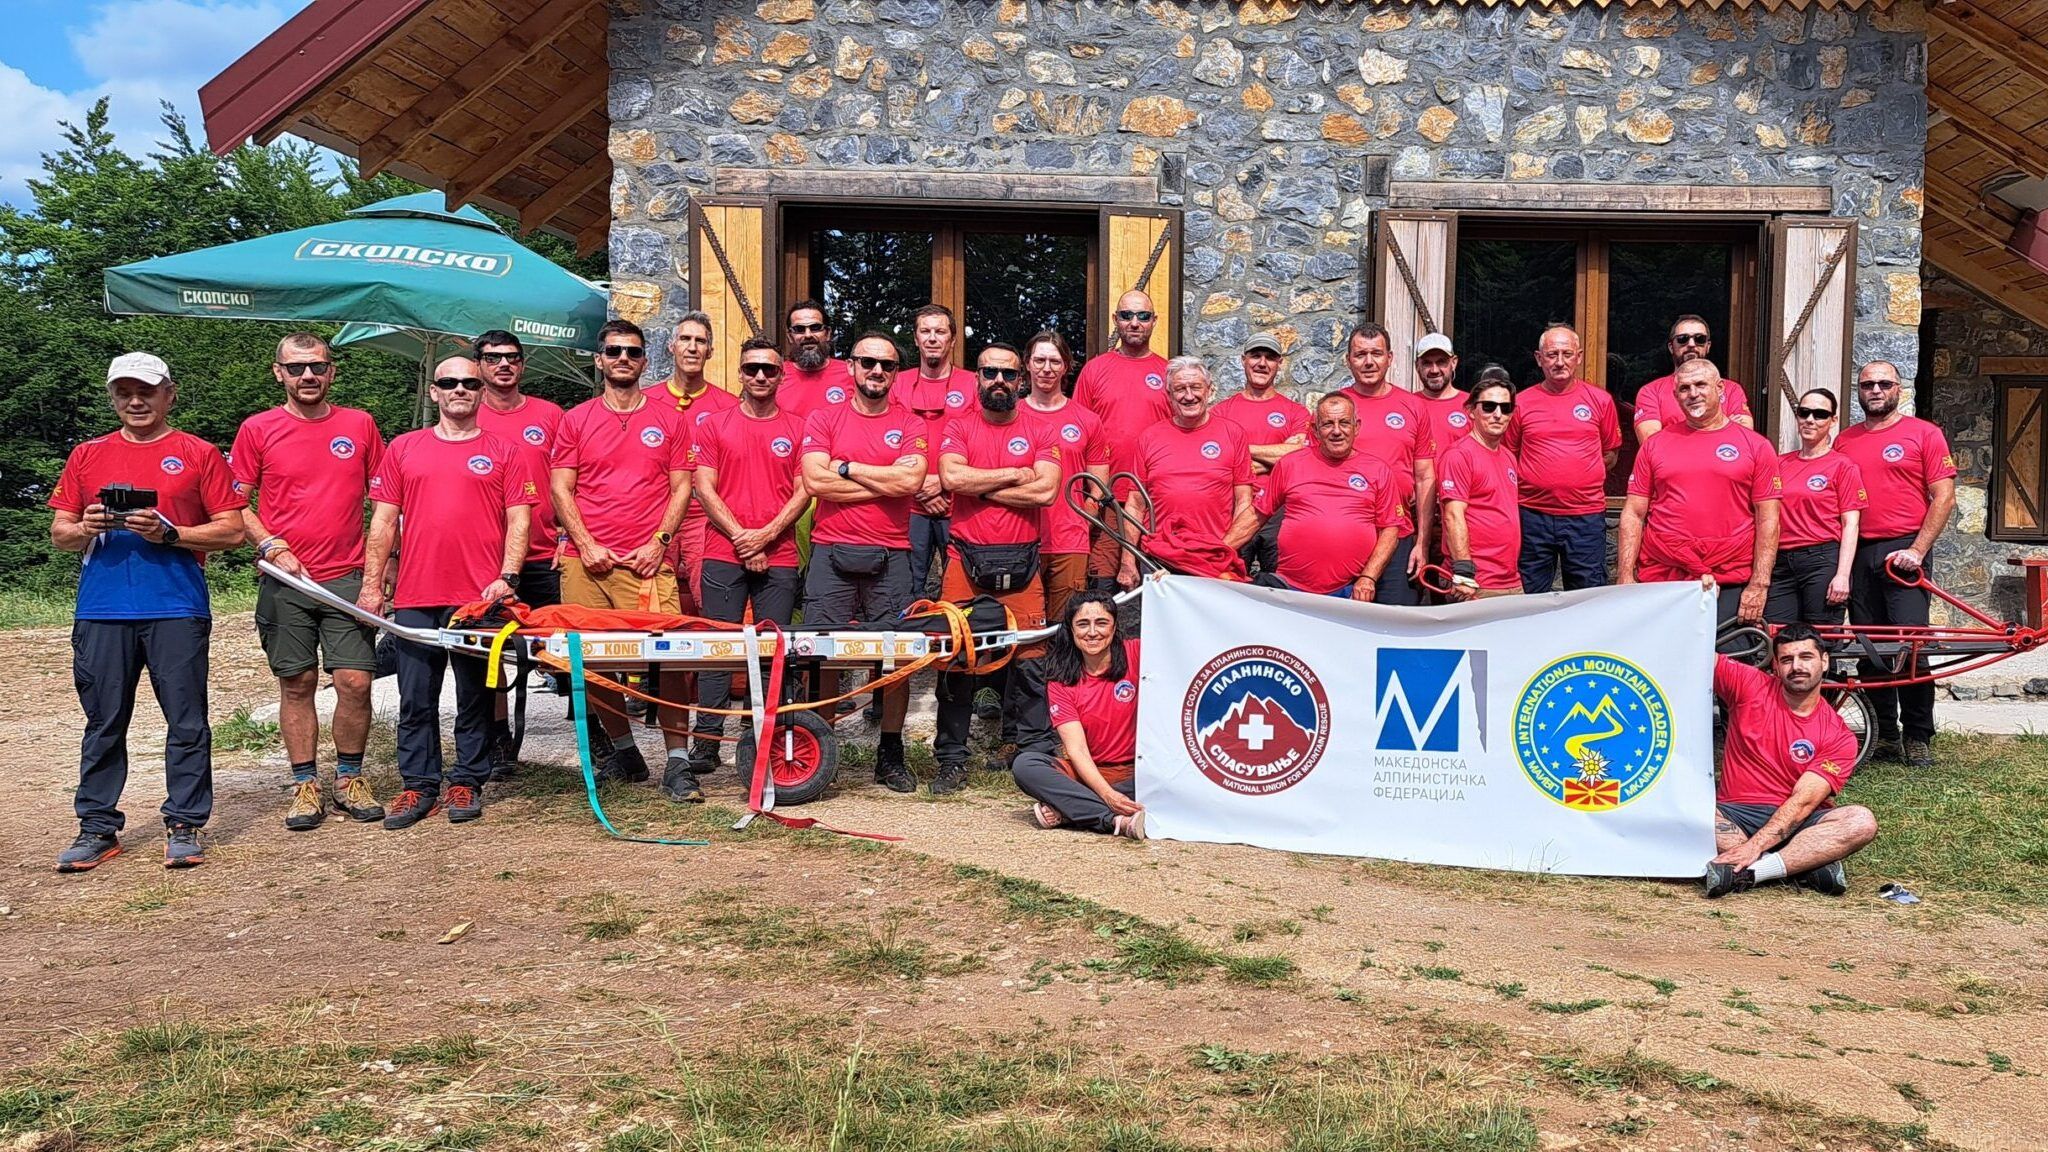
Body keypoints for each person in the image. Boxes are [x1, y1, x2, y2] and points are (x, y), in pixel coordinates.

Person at [49, 352, 247, 872]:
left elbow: (232, 530)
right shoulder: (87, 454)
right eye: (125, 392)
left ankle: (184, 823)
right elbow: (60, 532)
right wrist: (86, 527)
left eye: (147, 391)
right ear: (113, 397)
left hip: (176, 606)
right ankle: (97, 827)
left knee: (186, 720)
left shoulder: (199, 452)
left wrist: (170, 533)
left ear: (169, 394)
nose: (136, 401)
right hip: (102, 609)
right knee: (103, 722)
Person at [362, 356, 537, 829]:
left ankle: (467, 780)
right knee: (416, 696)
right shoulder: (404, 448)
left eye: (469, 383)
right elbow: (383, 522)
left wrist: (508, 577)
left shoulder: (505, 451)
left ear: (481, 392)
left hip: (477, 598)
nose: (460, 389)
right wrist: (372, 587)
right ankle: (419, 785)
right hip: (416, 594)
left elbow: (519, 520)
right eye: (449, 382)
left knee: (475, 695)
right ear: (434, 392)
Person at [231, 333, 385, 830]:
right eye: (296, 368)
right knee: (297, 683)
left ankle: (349, 778)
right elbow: (234, 502)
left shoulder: (359, 425)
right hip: (285, 580)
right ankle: (304, 784)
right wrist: (270, 544)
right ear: (279, 373)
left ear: (331, 371)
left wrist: (381, 573)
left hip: (347, 577)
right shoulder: (258, 428)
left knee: (355, 681)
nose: (308, 376)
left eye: (317, 366)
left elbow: (386, 503)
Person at [550, 320, 696, 791]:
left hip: (646, 562)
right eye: (614, 351)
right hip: (586, 561)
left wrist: (660, 542)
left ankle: (678, 761)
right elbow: (560, 488)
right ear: (599, 360)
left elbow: (682, 487)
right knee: (591, 661)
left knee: (671, 659)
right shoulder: (576, 419)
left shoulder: (670, 419)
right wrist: (586, 544)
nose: (623, 359)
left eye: (633, 352)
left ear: (645, 361)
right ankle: (626, 752)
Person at [800, 331, 931, 792]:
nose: (877, 371)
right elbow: (814, 483)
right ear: (852, 367)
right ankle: (819, 749)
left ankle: (890, 753)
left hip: (891, 554)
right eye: (868, 362)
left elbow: (910, 483)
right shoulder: (824, 417)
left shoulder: (911, 423)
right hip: (831, 550)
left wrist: (846, 467)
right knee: (822, 654)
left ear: (896, 373)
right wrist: (884, 482)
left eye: (887, 365)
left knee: (895, 657)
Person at [932, 343, 1061, 794]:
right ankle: (951, 758)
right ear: (978, 379)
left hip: (1023, 560)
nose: (999, 381)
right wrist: (1014, 474)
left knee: (1031, 661)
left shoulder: (1041, 429)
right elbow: (952, 478)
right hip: (965, 559)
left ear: (1021, 379)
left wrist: (980, 486)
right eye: (990, 373)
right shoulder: (959, 425)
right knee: (956, 657)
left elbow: (1046, 492)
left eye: (1008, 373)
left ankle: (1031, 753)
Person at [685, 337, 813, 784]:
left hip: (779, 554)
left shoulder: (798, 427)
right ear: (739, 373)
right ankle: (706, 741)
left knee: (772, 652)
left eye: (769, 369)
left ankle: (761, 736)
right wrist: (744, 538)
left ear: (781, 376)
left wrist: (766, 536)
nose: (760, 376)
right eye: (752, 368)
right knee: (718, 650)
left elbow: (804, 490)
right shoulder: (713, 424)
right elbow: (703, 487)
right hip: (723, 551)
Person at [1834, 360, 1958, 768]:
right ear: (1859, 391)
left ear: (1898, 389)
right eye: (1867, 384)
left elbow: (1944, 497)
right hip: (1859, 551)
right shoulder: (1845, 441)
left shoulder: (1924, 434)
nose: (1875, 390)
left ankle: (1918, 735)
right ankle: (1884, 733)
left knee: (1911, 645)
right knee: (1871, 647)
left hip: (1905, 550)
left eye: (1884, 384)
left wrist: (1917, 551)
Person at [1704, 622, 1878, 898]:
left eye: (1806, 657)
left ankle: (1752, 872)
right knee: (1689, 812)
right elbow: (1697, 654)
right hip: (1735, 814)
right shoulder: (1748, 684)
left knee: (1861, 821)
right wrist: (1689, 605)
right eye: (1787, 659)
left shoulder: (1839, 735)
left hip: (1799, 821)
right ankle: (1803, 864)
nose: (1796, 666)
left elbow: (1803, 803)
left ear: (1824, 661)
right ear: (1775, 665)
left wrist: (1754, 846)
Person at [1618, 360, 1781, 628]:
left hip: (1731, 577)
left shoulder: (1756, 446)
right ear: (1675, 396)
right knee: (1665, 652)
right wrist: (1625, 576)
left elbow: (1768, 519)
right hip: (1664, 577)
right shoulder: (1654, 445)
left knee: (1726, 654)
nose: (1692, 393)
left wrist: (1759, 584)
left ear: (1720, 389)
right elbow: (1634, 513)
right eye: (1684, 388)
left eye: (1701, 385)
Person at [472, 328, 566, 773]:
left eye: (511, 357)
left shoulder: (549, 415)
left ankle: (598, 736)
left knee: (566, 649)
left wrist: (567, 538)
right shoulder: (466, 414)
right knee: (488, 654)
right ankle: (497, 741)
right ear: (479, 366)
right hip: (486, 561)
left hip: (546, 552)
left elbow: (571, 482)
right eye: (493, 358)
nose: (503, 364)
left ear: (523, 365)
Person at [1012, 591, 1146, 839]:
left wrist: (1165, 587)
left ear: (1115, 626)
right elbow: (1077, 751)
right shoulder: (1061, 680)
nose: (1092, 632)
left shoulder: (1138, 652)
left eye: (1101, 623)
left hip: (1139, 771)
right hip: (1089, 772)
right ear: (1071, 629)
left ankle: (1072, 809)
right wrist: (1108, 795)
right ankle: (1113, 820)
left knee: (1168, 781)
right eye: (1083, 624)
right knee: (1026, 765)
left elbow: (1179, 637)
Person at [1118, 356, 1257, 586]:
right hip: (1159, 559)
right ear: (1169, 395)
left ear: (1209, 391)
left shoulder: (1233, 433)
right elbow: (1135, 504)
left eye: (1196, 387)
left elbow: (1244, 501)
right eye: (1180, 389)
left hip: (1214, 558)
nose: (1189, 396)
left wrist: (1223, 551)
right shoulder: (1150, 437)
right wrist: (1127, 560)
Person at [1505, 325, 1620, 593]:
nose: (1559, 362)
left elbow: (1610, 453)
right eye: (1552, 354)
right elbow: (1509, 455)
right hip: (1532, 514)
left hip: (1585, 516)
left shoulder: (1600, 400)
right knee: (1530, 596)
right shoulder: (1521, 402)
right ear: (1539, 358)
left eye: (1567, 354)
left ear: (1578, 357)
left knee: (1587, 597)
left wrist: (1579, 476)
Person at [1252, 392, 1401, 599]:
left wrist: (1368, 578)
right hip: (1290, 589)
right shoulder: (1290, 464)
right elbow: (1255, 516)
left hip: (1350, 591)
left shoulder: (1378, 470)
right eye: (1328, 424)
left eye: (1344, 423)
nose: (1337, 431)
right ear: (1315, 430)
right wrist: (1220, 550)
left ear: (1356, 427)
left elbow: (1390, 529)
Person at [1074, 290, 1173, 584]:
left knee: (1157, 586)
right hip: (1107, 499)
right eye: (1127, 315)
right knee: (1103, 585)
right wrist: (1088, 496)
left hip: (1154, 501)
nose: (1135, 322)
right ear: (1115, 319)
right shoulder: (1095, 369)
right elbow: (1078, 436)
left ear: (1154, 321)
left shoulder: (1169, 373)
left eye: (1143, 316)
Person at [1337, 322, 1434, 604]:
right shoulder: (1335, 407)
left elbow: (1425, 477)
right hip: (1348, 533)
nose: (1369, 362)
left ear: (1389, 358)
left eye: (1376, 354)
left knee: (1398, 620)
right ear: (1348, 360)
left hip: (1399, 533)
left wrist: (1422, 543)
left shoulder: (1413, 406)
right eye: (1360, 355)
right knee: (1341, 621)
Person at [648, 311, 741, 606]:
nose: (692, 347)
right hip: (657, 516)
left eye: (700, 341)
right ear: (671, 346)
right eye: (685, 339)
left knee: (713, 601)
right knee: (653, 604)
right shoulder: (645, 401)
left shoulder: (729, 406)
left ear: (710, 351)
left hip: (705, 519)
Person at [1020, 329, 1109, 625]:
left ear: (1066, 367)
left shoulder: (1087, 419)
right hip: (1020, 538)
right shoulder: (1011, 415)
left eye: (1055, 361)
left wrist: (1086, 517)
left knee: (1067, 627)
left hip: (1069, 540)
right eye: (1040, 360)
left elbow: (1098, 484)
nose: (1046, 368)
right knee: (1024, 627)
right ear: (1027, 364)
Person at [1211, 333, 1307, 578]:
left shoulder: (1296, 412)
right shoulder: (1220, 413)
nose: (1262, 363)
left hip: (1280, 513)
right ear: (1243, 360)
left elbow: (1298, 457)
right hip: (1234, 510)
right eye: (1255, 356)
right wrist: (1277, 456)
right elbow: (1219, 462)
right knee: (1231, 582)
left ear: (1279, 363)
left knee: (1281, 583)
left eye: (1270, 357)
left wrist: (1241, 449)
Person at [1768, 388, 1865, 626]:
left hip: (1821, 559)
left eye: (1820, 414)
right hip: (1781, 560)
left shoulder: (1842, 465)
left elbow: (1851, 524)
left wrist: (1842, 575)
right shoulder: (1779, 463)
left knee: (1822, 635)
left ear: (1833, 420)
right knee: (1776, 634)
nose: (1810, 420)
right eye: (1804, 412)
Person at [897, 304, 976, 595]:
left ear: (952, 339)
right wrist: (918, 485)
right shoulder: (896, 383)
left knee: (960, 590)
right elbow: (885, 440)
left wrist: (942, 483)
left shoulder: (973, 384)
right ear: (916, 338)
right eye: (925, 331)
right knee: (908, 591)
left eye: (940, 331)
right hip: (906, 505)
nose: (932, 338)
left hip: (957, 505)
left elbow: (981, 442)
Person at [1437, 380, 1524, 599]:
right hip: (1475, 581)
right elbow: (1453, 516)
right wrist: (1463, 573)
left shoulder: (1508, 457)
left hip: (1510, 579)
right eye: (1488, 406)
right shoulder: (1459, 455)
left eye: (1505, 408)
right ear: (1471, 411)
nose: (1498, 414)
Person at [1634, 316, 1755, 442]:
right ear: (1671, 347)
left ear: (1708, 346)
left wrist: (1673, 435)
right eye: (1682, 339)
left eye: (1699, 339)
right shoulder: (1651, 391)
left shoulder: (1731, 389)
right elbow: (1651, 443)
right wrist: (1723, 428)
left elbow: (1744, 437)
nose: (1691, 344)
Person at [778, 299, 852, 420]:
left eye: (815, 327)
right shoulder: (776, 375)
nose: (808, 335)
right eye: (799, 329)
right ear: (790, 337)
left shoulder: (850, 373)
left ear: (828, 333)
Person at [1412, 333, 1469, 478]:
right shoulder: (1407, 405)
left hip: (1460, 490)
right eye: (1427, 363)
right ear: (1417, 366)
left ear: (1454, 362)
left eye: (1441, 362)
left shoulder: (1472, 406)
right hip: (1417, 490)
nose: (1434, 370)